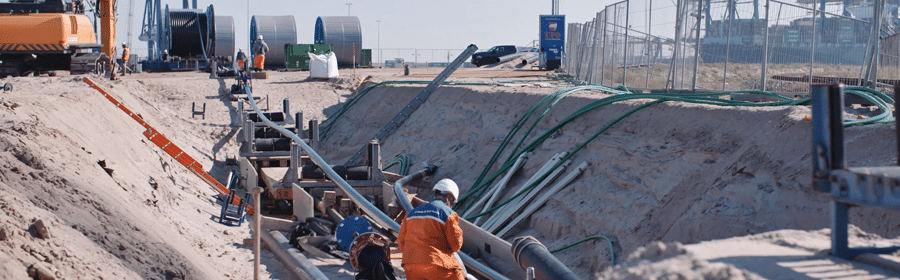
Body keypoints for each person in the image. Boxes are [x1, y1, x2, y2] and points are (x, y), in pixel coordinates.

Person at [396, 179, 465, 280]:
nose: (451, 205)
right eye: (452, 202)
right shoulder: (448, 214)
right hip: (436, 265)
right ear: (448, 198)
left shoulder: (411, 214)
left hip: (411, 266)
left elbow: (401, 241)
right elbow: (456, 245)